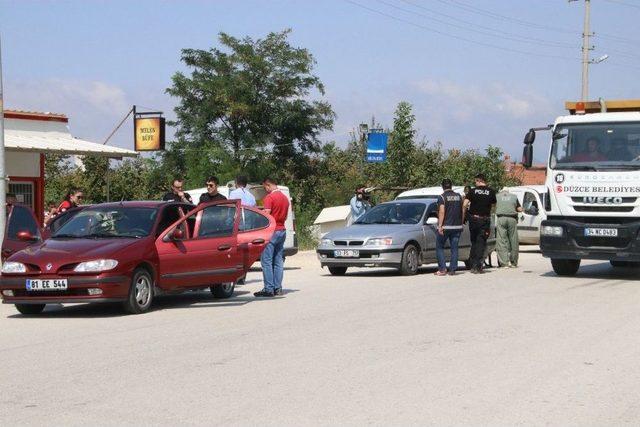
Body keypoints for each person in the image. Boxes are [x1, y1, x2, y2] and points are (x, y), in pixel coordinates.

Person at [254, 177, 290, 298]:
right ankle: (278, 288)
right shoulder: (285, 198)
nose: (265, 190)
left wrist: (258, 213)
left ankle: (269, 288)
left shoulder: (269, 198)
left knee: (267, 261)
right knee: (278, 261)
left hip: (271, 232)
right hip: (282, 230)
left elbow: (266, 215)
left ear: (268, 185)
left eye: (265, 187)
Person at [463, 174, 496, 274]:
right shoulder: (490, 191)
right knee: (481, 243)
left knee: (474, 242)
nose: (475, 183)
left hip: (473, 220)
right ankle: (478, 266)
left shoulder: (472, 191)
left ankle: (472, 265)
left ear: (479, 180)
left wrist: (464, 215)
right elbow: (494, 204)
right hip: (484, 220)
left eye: (475, 181)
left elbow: (465, 204)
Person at [435, 179, 465, 276]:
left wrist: (440, 226)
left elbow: (442, 211)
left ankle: (442, 269)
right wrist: (461, 222)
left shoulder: (442, 197)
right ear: (451, 186)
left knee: (439, 246)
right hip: (457, 226)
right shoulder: (458, 196)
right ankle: (452, 269)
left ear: (442, 186)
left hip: (446, 226)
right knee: (454, 248)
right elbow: (462, 209)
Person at [495, 187, 522, 268]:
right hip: (512, 219)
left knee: (502, 241)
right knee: (513, 240)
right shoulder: (514, 196)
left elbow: (493, 207)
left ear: (501, 191)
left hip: (501, 219)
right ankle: (513, 262)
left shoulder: (497, 196)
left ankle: (504, 263)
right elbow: (519, 209)